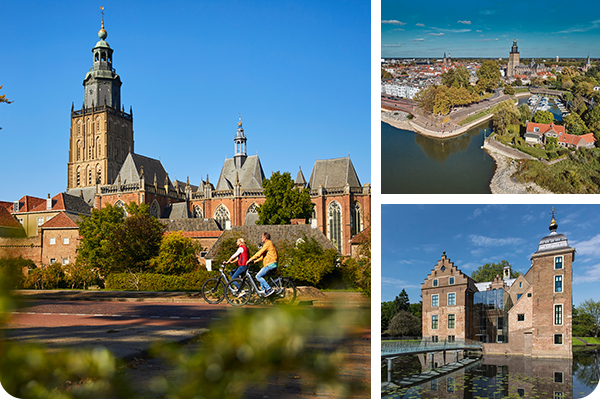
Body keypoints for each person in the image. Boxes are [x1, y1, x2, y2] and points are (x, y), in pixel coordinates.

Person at [247, 232, 278, 296]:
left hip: (270, 264)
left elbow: (259, 253)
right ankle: (264, 292)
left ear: (265, 237)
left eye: (262, 237)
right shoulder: (270, 244)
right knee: (262, 276)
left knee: (258, 276)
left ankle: (269, 289)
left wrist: (250, 259)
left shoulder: (267, 244)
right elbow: (263, 256)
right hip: (272, 263)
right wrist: (255, 261)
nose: (261, 238)